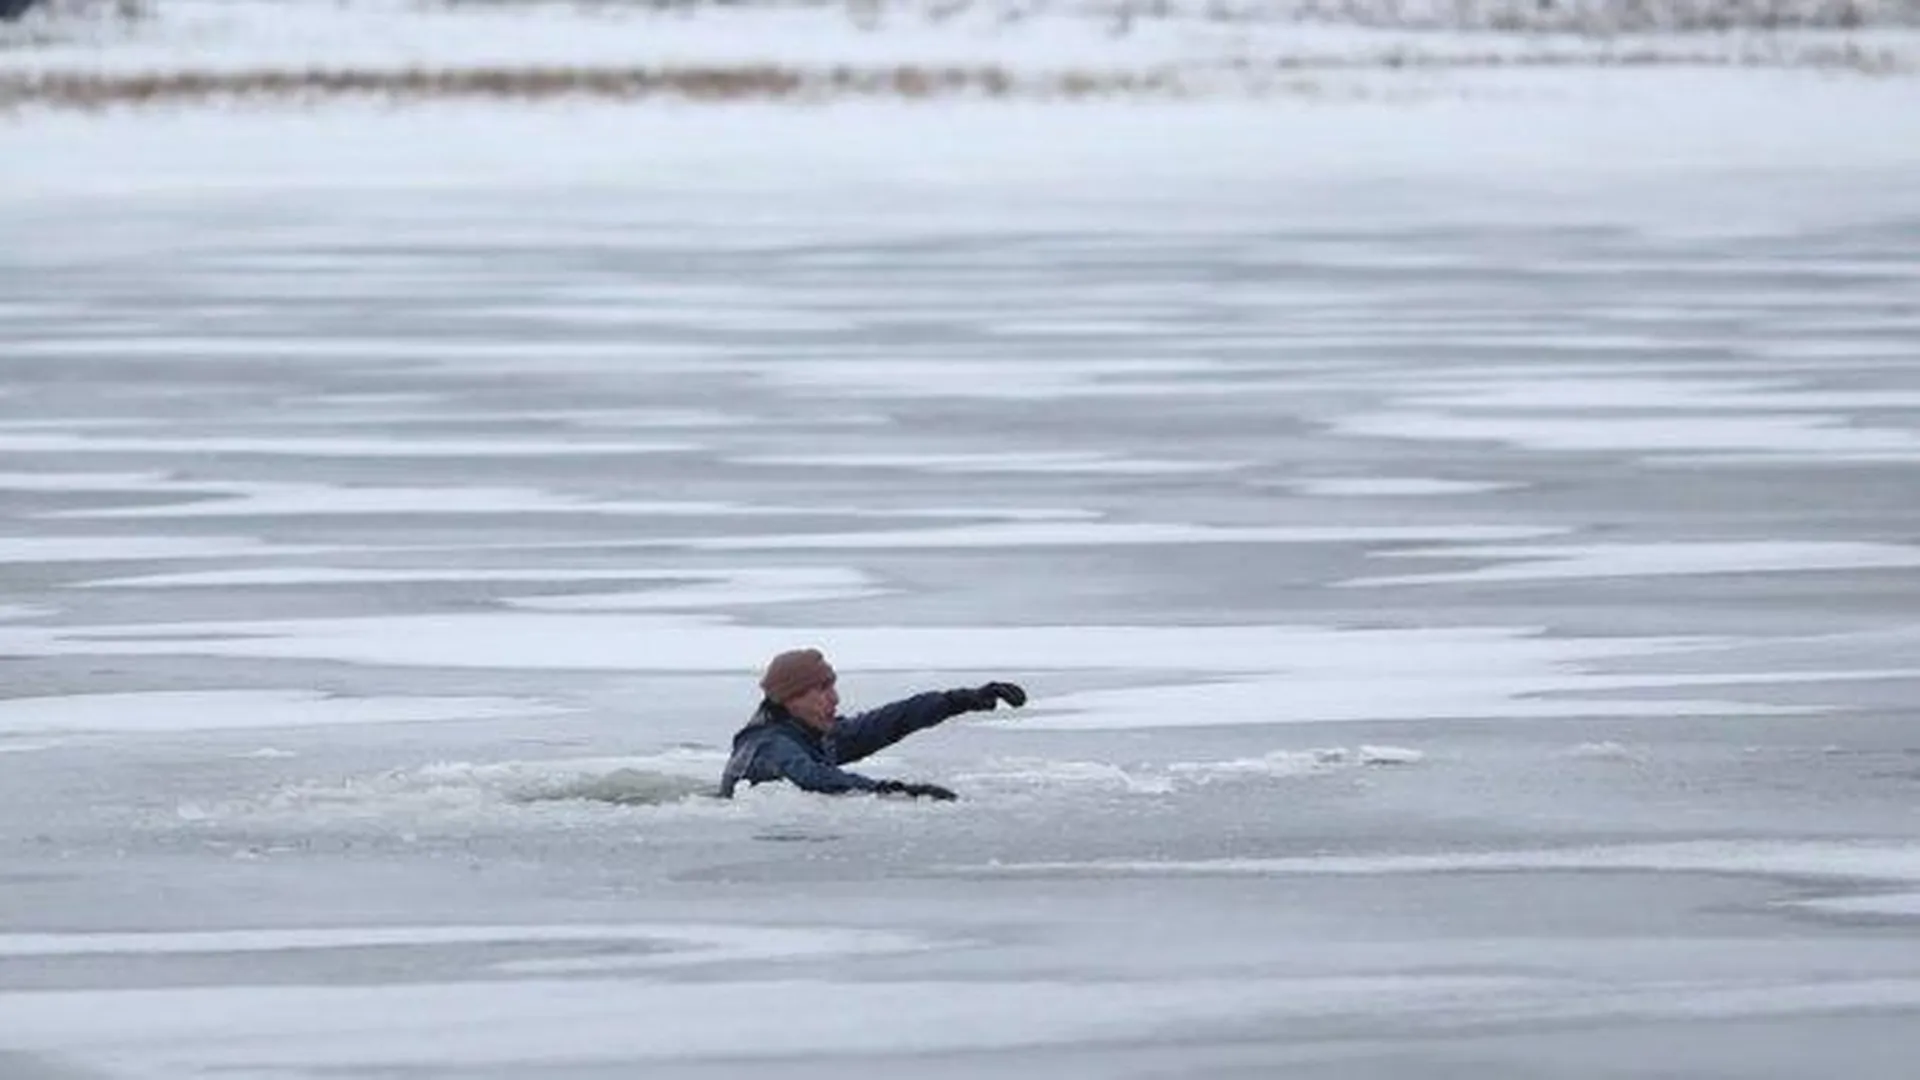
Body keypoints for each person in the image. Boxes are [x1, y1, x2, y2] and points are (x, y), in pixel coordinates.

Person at [718, 647, 1026, 801]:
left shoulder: (808, 733)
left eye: (833, 687)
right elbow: (815, 778)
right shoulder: (770, 745)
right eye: (822, 690)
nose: (835, 699)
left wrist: (960, 699)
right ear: (791, 698)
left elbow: (885, 723)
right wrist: (895, 791)